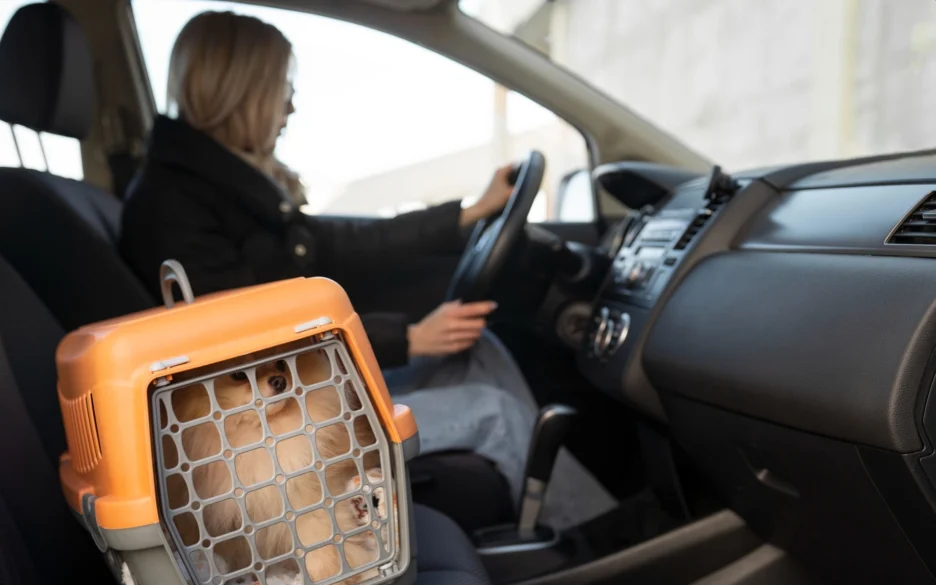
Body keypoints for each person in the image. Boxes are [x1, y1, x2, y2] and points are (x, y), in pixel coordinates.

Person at [119, 10, 614, 528]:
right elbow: (239, 340)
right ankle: (589, 541)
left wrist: (465, 214)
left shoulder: (224, 185)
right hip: (269, 435)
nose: (290, 105)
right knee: (500, 416)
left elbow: (338, 242)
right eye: (280, 88)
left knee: (479, 347)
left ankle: (556, 519)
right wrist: (410, 339)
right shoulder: (172, 205)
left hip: (307, 389)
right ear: (240, 92)